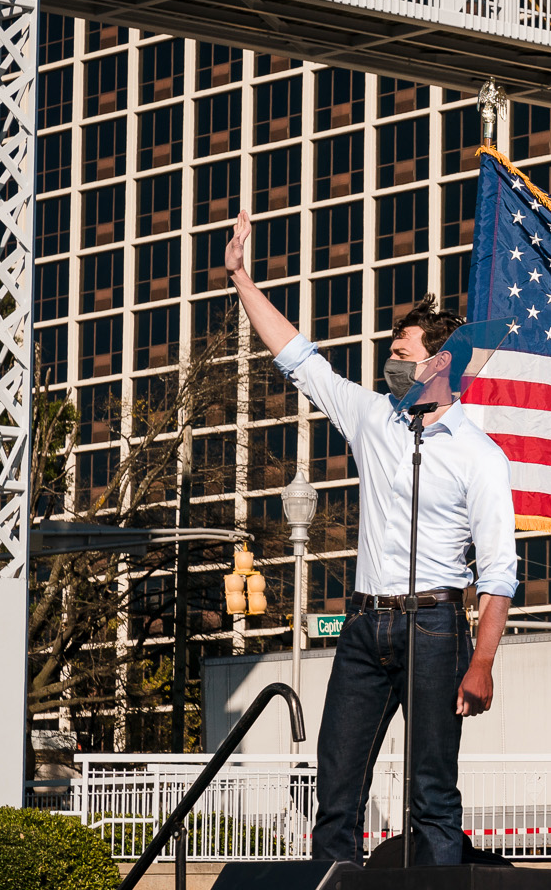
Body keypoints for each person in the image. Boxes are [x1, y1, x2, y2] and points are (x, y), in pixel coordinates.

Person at [225, 210, 519, 865]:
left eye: (400, 353)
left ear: (442, 363)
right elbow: (300, 358)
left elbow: (499, 572)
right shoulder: (373, 418)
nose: (389, 362)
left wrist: (483, 663)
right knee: (337, 791)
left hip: (437, 629)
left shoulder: (478, 455)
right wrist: (242, 279)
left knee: (432, 797)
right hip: (364, 629)